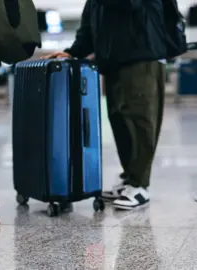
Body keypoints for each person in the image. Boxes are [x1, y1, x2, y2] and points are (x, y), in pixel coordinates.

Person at [44, 0, 169, 210]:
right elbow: (90, 25)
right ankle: (129, 179)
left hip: (141, 57)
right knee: (119, 118)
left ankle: (140, 185)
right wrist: (74, 51)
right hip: (114, 61)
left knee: (139, 121)